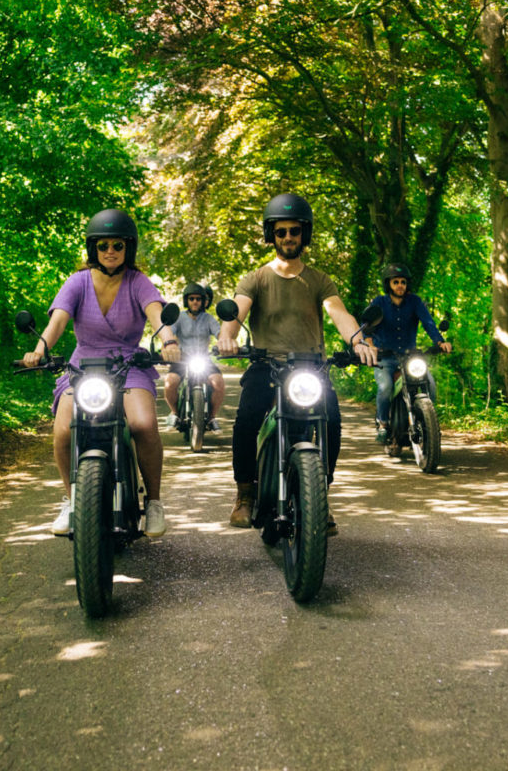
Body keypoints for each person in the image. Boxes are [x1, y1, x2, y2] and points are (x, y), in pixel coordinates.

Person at [216, 193, 377, 532]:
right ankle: (245, 494)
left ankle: (320, 494)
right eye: (281, 232)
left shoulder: (319, 280)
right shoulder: (256, 278)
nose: (288, 237)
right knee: (246, 421)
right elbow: (238, 309)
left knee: (331, 421)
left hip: (310, 367)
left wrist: (358, 340)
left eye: (295, 231)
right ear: (270, 235)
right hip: (266, 365)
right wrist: (226, 336)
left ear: (305, 234)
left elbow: (339, 313)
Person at [22, 209, 178, 538]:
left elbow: (157, 314)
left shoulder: (138, 282)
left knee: (144, 424)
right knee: (64, 430)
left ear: (128, 249)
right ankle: (72, 498)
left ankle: (154, 503)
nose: (110, 251)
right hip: (83, 365)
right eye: (103, 245)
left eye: (117, 246)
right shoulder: (77, 282)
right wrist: (40, 350)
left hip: (129, 365)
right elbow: (58, 322)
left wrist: (169, 341)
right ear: (93, 248)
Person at [367, 263, 451, 449]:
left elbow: (428, 323)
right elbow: (367, 327)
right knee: (386, 387)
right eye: (395, 282)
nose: (399, 285)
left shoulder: (414, 302)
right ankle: (383, 423)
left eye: (403, 282)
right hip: (385, 358)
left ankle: (428, 422)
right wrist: (370, 346)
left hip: (409, 357)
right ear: (388, 284)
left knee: (430, 385)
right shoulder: (379, 303)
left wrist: (440, 342)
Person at [162, 282, 224, 432]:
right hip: (182, 359)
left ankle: (211, 418)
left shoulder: (209, 319)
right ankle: (175, 412)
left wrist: (225, 343)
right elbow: (169, 334)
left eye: (198, 299)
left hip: (204, 358)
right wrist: (166, 347)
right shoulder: (179, 317)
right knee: (170, 382)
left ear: (203, 301)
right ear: (186, 301)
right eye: (191, 299)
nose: (195, 301)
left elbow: (220, 334)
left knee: (218, 382)